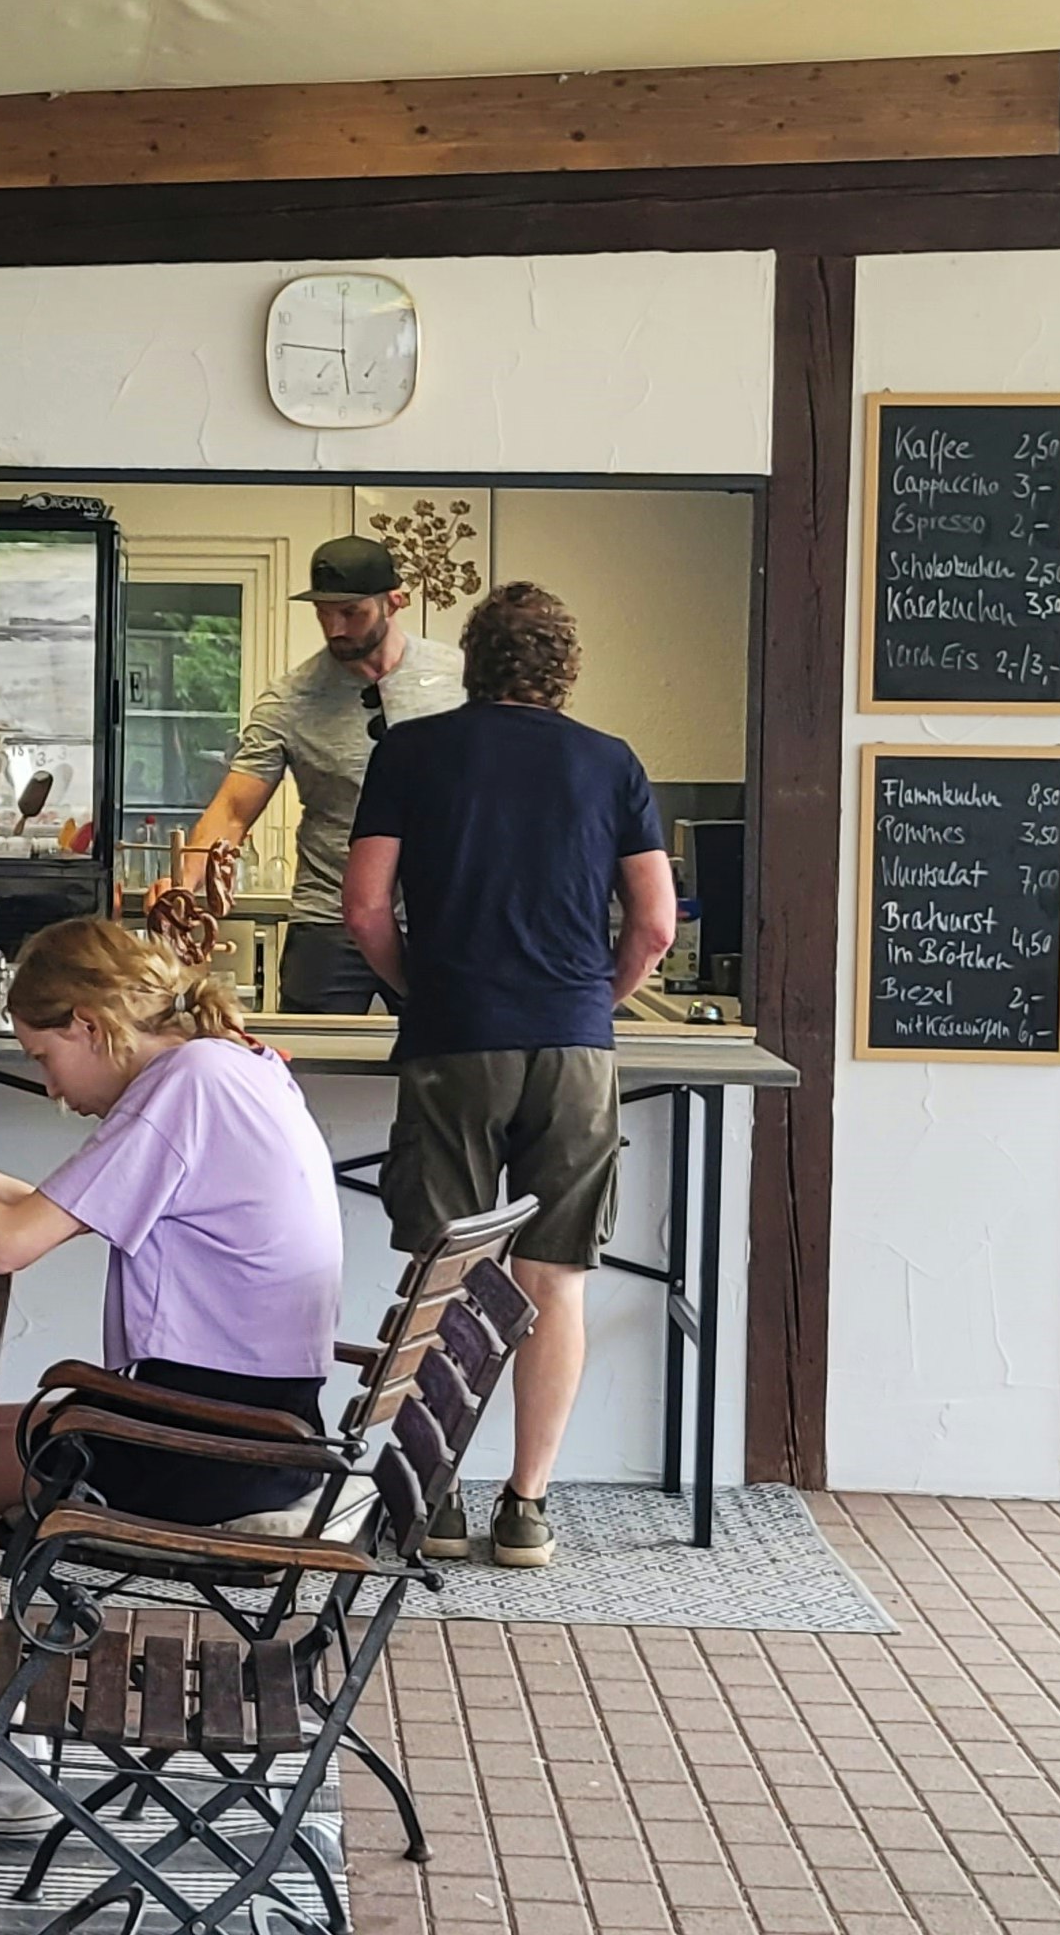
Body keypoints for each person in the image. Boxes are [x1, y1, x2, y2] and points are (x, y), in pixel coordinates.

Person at [0, 915, 344, 1824]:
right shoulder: (226, 1068)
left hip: (199, 1445)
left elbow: (7, 1243)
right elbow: (38, 1206)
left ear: (91, 1025)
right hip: (260, 1428)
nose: (51, 1089)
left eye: (45, 1057)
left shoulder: (187, 1090)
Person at [342, 582, 674, 1569]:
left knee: (445, 1278)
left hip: (453, 1037)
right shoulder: (610, 764)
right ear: (564, 669)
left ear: (474, 662)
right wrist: (597, 1003)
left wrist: (421, 991)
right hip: (573, 1044)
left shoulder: (411, 752)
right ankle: (526, 1508)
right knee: (554, 1279)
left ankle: (433, 1498)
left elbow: (363, 911)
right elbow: (655, 923)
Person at [184, 534, 463, 1012]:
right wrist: (181, 884)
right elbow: (232, 810)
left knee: (449, 1073)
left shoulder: (460, 680)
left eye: (351, 612)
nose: (335, 628)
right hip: (329, 920)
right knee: (308, 1070)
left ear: (394, 601)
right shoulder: (291, 699)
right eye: (323, 613)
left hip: (440, 915)